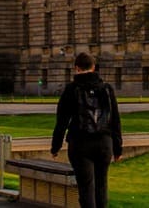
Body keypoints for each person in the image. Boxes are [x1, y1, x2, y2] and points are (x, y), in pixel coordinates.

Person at [51, 52, 123, 208]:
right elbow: (115, 120)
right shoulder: (107, 89)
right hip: (104, 142)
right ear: (94, 67)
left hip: (80, 143)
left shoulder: (71, 89)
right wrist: (118, 148)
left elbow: (62, 121)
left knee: (86, 188)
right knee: (101, 186)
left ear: (76, 68)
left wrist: (55, 147)